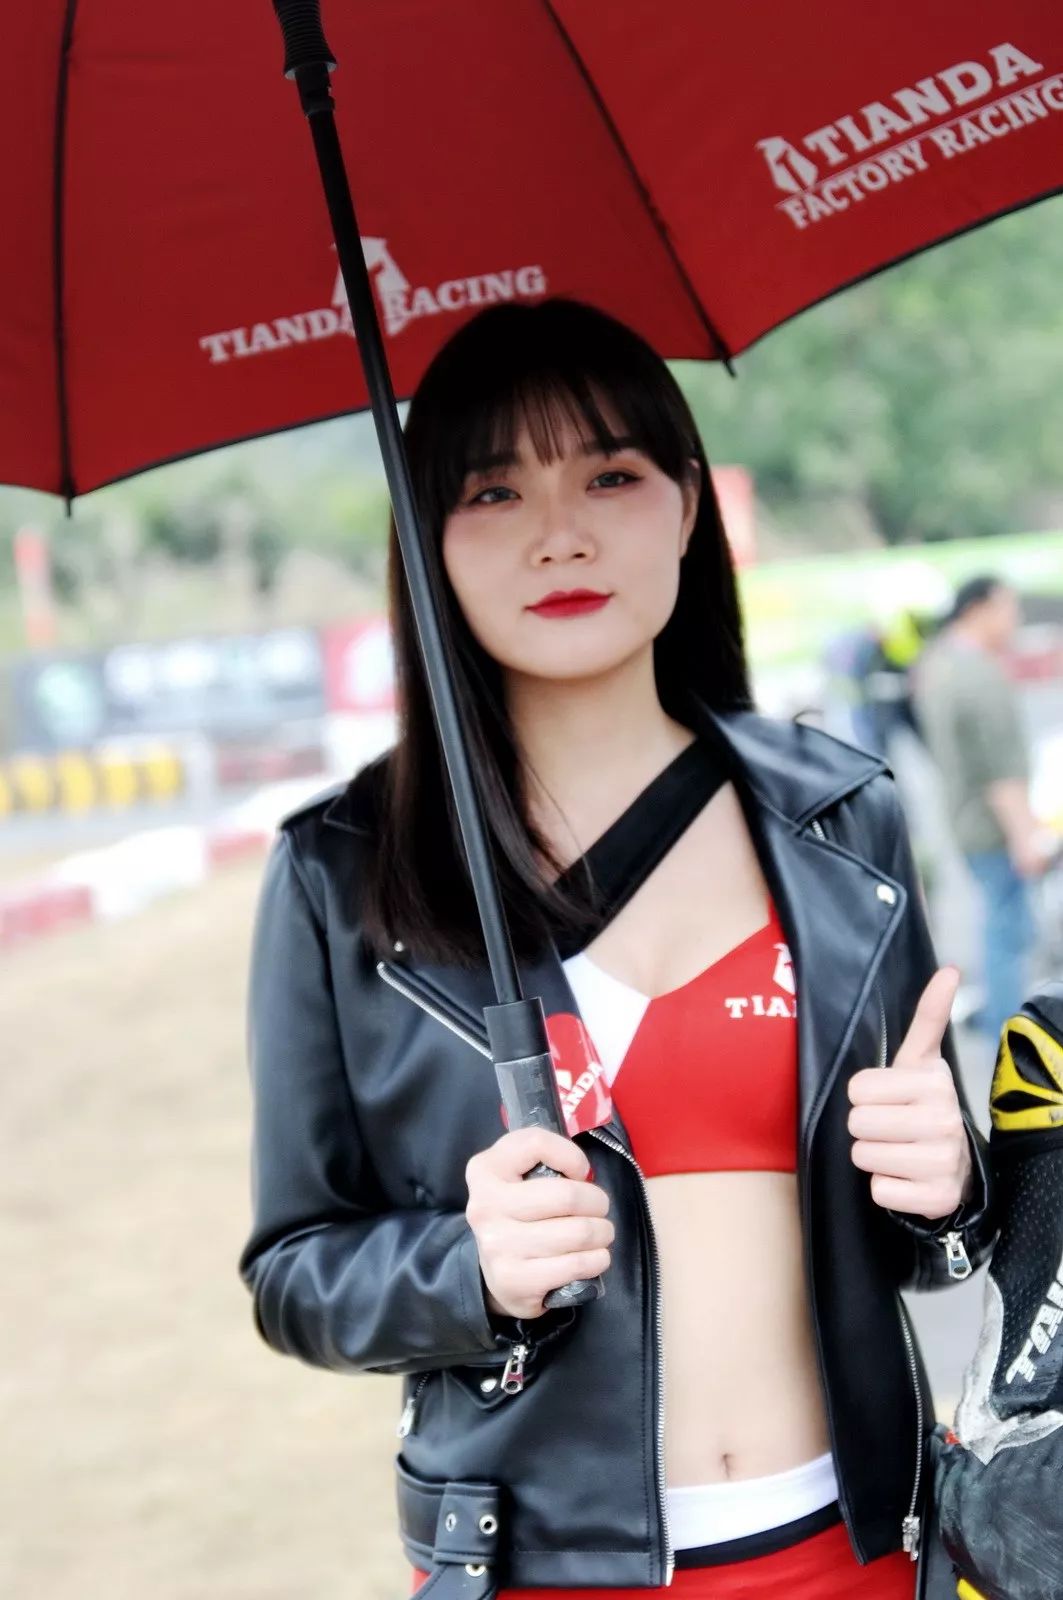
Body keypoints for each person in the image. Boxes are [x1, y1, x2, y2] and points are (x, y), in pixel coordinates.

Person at [238, 300, 995, 1600]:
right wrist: (467, 1268)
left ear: (687, 504)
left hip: (860, 1547)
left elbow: (925, 1234)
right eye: (493, 491)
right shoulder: (341, 874)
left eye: (609, 475)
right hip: (538, 1567)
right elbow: (294, 1271)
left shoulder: (836, 818)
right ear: (425, 539)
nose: (561, 534)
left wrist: (947, 1183)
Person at [913, 576, 1051, 1047]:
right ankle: (1009, 1029)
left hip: (964, 817)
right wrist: (1025, 836)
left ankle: (999, 1016)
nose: (1015, 619)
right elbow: (1000, 769)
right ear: (978, 610)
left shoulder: (939, 663)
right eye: (1007, 608)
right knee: (1008, 930)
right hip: (993, 826)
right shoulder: (980, 675)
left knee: (1000, 921)